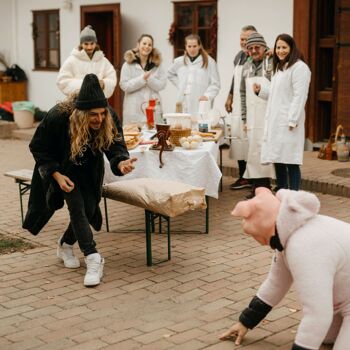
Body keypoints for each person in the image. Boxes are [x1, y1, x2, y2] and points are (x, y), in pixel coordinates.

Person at [23, 74, 137, 287]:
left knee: (88, 210)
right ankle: (93, 257)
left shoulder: (108, 116)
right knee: (77, 206)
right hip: (62, 169)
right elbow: (38, 147)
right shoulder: (58, 117)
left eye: (102, 113)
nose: (99, 119)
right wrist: (56, 175)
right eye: (93, 115)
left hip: (88, 173)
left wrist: (121, 163)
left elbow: (116, 147)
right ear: (80, 112)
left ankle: (65, 244)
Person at [220, 187, 350, 349]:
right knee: (326, 338)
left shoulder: (303, 246)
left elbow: (317, 314)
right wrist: (245, 322)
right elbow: (275, 284)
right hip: (342, 300)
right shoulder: (288, 234)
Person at [261, 34, 311, 191]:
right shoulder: (280, 68)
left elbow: (300, 95)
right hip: (276, 121)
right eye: (278, 47)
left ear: (291, 48)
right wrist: (260, 91)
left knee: (291, 160)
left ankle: (294, 194)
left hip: (289, 122)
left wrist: (292, 120)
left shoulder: (300, 68)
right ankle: (282, 191)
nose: (280, 51)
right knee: (278, 158)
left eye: (284, 47)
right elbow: (277, 94)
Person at [240, 32, 275, 198]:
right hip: (253, 116)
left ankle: (267, 187)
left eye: (257, 47)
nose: (254, 51)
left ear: (264, 47)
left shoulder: (271, 64)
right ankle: (257, 187)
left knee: (266, 151)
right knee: (253, 152)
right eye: (251, 48)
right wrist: (244, 118)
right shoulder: (245, 68)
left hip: (268, 114)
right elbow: (242, 93)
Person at [225, 25, 257, 191]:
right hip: (237, 104)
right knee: (238, 140)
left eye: (247, 39)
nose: (244, 42)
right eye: (242, 39)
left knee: (249, 142)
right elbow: (234, 78)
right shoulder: (239, 56)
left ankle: (252, 177)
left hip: (250, 105)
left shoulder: (256, 55)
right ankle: (243, 175)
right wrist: (229, 95)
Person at [57, 25, 117, 98]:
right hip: (78, 103)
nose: (89, 47)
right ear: (81, 44)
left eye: (92, 43)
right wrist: (85, 86)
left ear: (96, 43)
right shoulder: (72, 60)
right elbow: (62, 81)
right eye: (86, 44)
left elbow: (112, 78)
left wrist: (104, 83)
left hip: (98, 103)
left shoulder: (103, 60)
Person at [168, 34, 220, 116]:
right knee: (183, 125)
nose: (192, 49)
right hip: (183, 100)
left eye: (194, 46)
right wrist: (181, 85)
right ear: (185, 46)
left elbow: (216, 84)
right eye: (189, 46)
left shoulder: (210, 62)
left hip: (200, 102)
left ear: (199, 46)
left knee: (199, 124)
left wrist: (207, 96)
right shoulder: (179, 61)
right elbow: (170, 74)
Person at [119, 34, 167, 126]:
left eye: (150, 45)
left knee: (154, 136)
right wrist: (142, 79)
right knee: (134, 137)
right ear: (138, 45)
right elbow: (124, 85)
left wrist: (150, 79)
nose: (147, 47)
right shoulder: (128, 64)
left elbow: (162, 84)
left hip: (153, 107)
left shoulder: (157, 64)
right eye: (144, 43)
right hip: (133, 109)